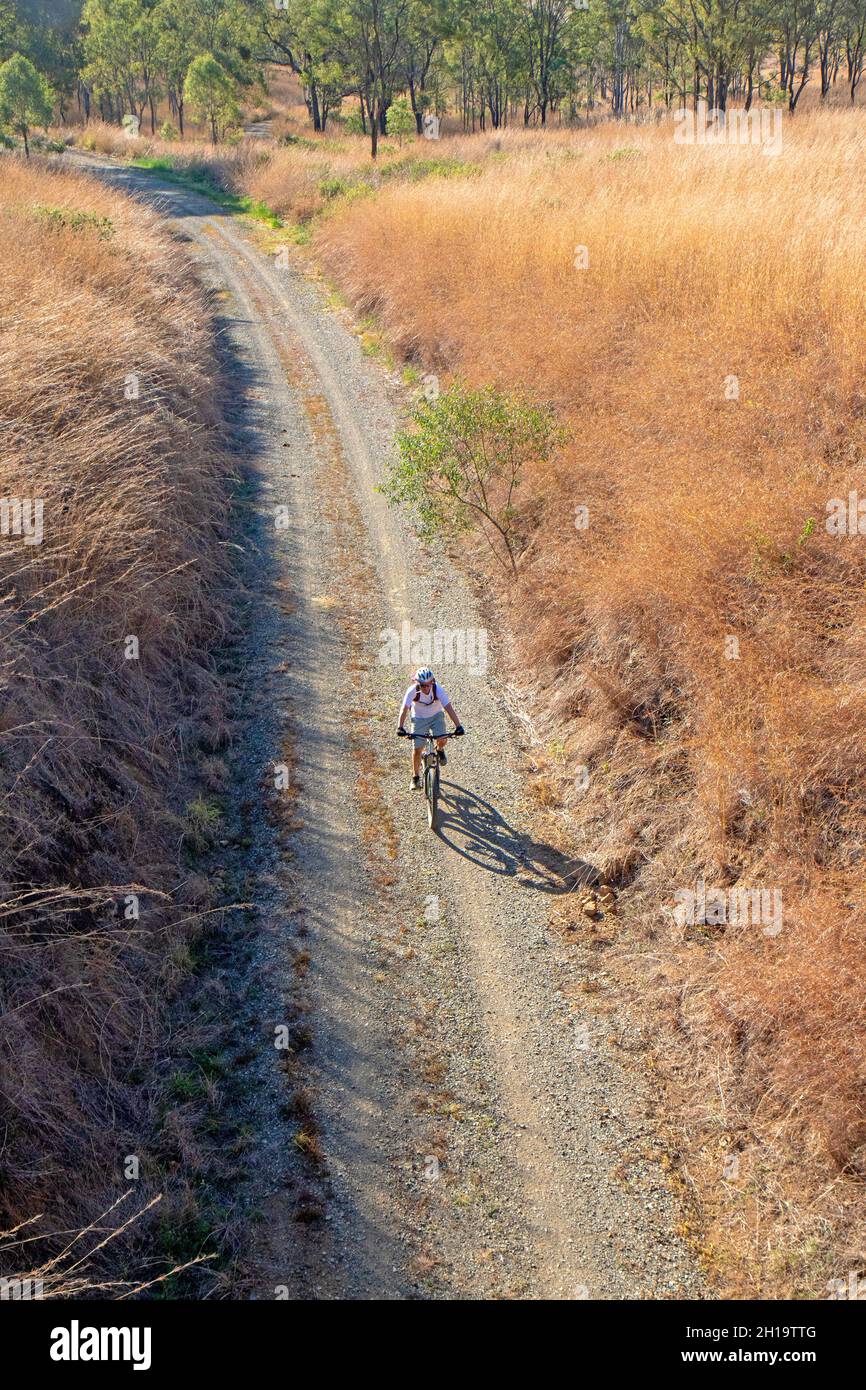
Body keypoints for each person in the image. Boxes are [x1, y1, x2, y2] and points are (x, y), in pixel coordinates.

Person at [397, 667, 464, 790]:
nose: (426, 688)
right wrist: (400, 727)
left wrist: (458, 726)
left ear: (432, 681)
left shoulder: (437, 689)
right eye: (423, 685)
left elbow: (449, 708)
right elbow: (404, 709)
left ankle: (440, 749)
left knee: (443, 738)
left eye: (429, 684)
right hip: (419, 718)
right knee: (417, 749)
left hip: (436, 716)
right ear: (417, 683)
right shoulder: (412, 691)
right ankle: (415, 777)